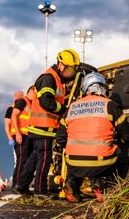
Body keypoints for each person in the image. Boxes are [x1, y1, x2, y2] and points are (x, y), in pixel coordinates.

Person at [55, 72, 129, 203]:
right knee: (115, 150)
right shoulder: (109, 105)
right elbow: (128, 135)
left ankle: (71, 183)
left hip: (74, 163)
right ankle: (103, 185)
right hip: (100, 161)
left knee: (74, 155)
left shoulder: (72, 107)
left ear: (85, 89)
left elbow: (60, 139)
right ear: (103, 87)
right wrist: (117, 139)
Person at [14, 49, 80, 197]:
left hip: (42, 127)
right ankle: (40, 190)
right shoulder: (49, 78)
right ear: (61, 65)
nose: (72, 73)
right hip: (42, 127)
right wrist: (64, 110)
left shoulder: (56, 78)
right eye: (70, 69)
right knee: (44, 158)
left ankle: (21, 185)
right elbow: (46, 102)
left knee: (35, 157)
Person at [10, 87, 34, 187]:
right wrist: (18, 133)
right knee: (21, 160)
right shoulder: (22, 101)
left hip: (28, 136)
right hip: (21, 135)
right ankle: (16, 184)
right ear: (31, 91)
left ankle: (22, 185)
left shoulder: (30, 103)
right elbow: (14, 115)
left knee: (27, 160)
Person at [5, 90, 23, 184]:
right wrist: (10, 138)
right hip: (16, 136)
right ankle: (17, 182)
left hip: (24, 135)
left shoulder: (24, 107)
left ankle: (20, 181)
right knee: (18, 159)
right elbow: (7, 124)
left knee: (22, 159)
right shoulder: (11, 109)